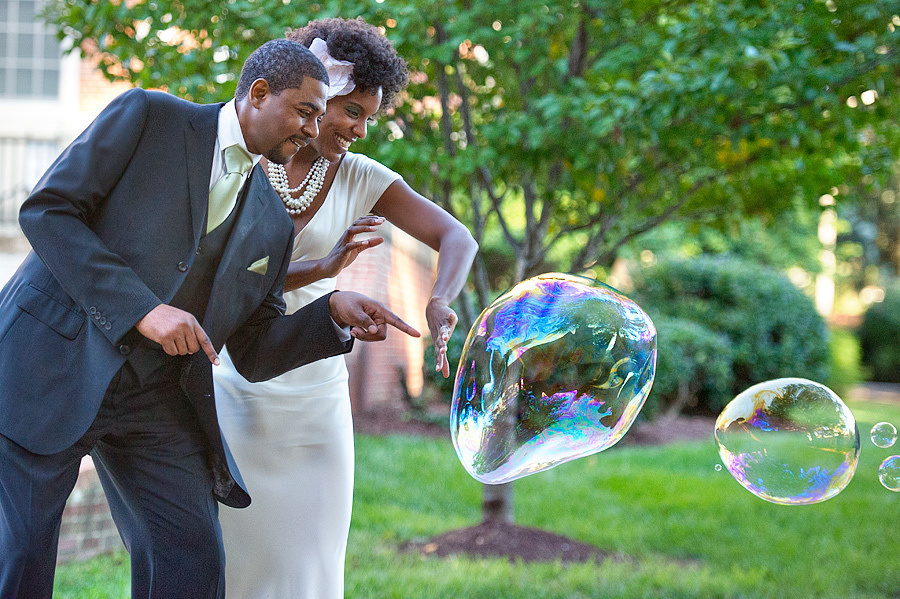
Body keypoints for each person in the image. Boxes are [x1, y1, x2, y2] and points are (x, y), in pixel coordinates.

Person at [0, 39, 419, 599]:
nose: (314, 131)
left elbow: (254, 348)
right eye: (305, 112)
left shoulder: (271, 221)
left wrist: (331, 316)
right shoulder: (151, 118)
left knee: (191, 551)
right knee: (22, 557)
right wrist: (144, 311)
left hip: (153, 396)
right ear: (259, 93)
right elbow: (48, 210)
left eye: (321, 118)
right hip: (48, 364)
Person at [214, 18, 478, 599]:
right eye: (351, 111)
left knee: (313, 559)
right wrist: (325, 270)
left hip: (315, 395)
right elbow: (225, 277)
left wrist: (440, 301)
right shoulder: (246, 152)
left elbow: (458, 238)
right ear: (318, 94)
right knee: (236, 557)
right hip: (239, 377)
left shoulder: (361, 177)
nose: (360, 130)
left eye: (369, 118)